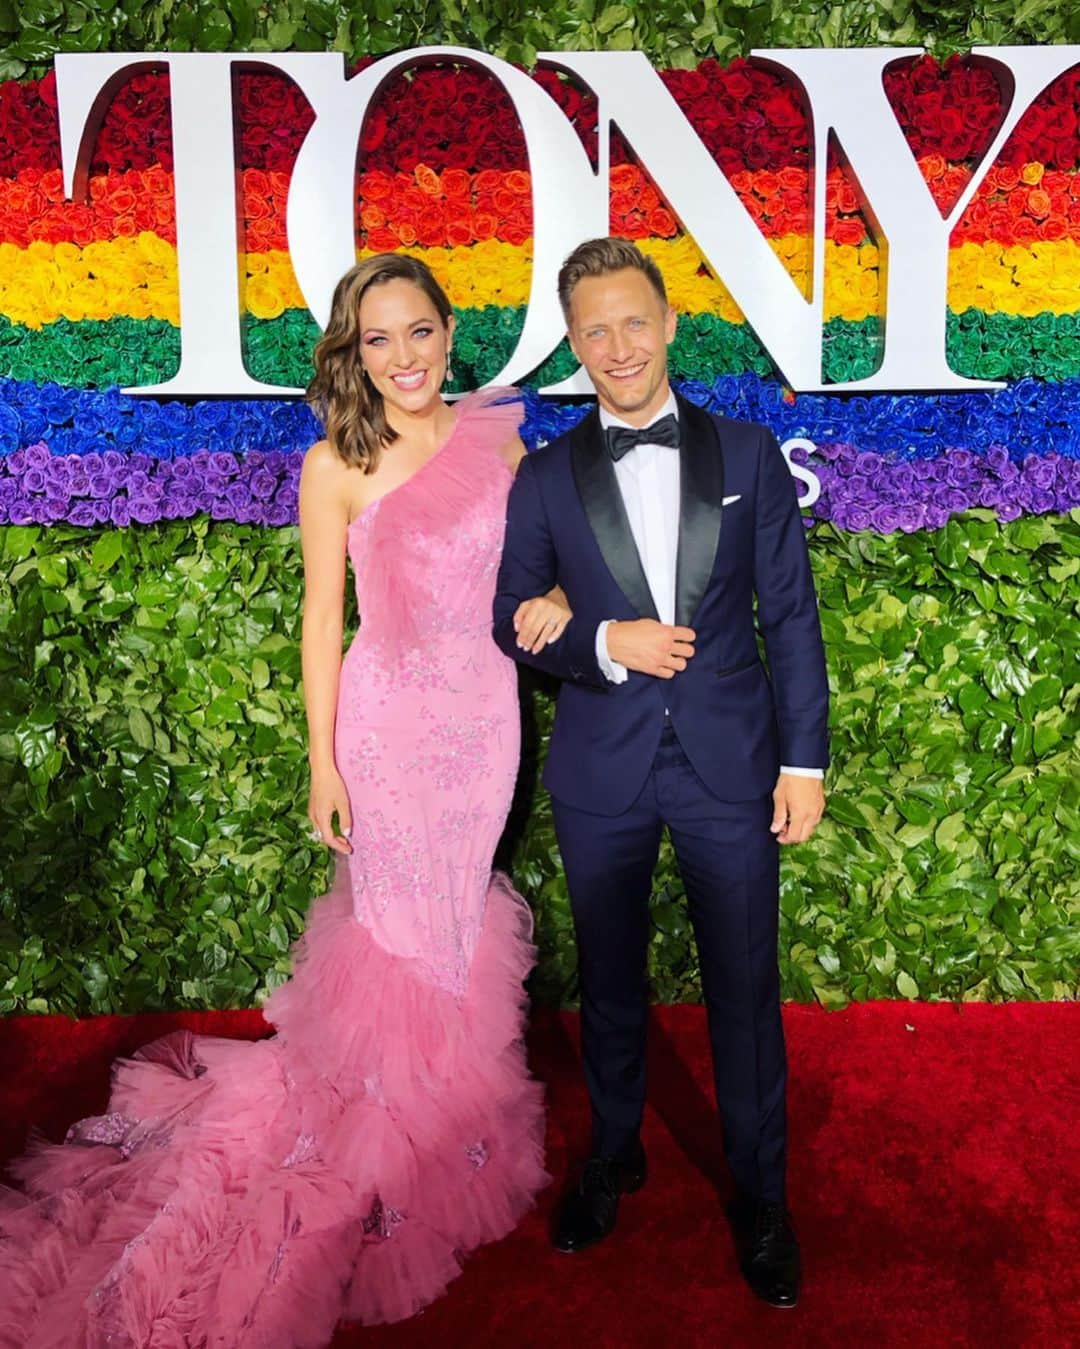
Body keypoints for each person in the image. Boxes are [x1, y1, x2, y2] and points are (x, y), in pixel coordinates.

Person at [0, 254, 565, 1346]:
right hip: (391, 730)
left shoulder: (502, 441)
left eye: (417, 331)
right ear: (352, 354)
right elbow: (321, 621)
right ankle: (388, 1144)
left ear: (452, 332)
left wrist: (550, 595)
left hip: (486, 723)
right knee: (395, 930)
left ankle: (453, 1129)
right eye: (377, 339)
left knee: (457, 926)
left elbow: (544, 572)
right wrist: (324, 759)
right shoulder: (334, 464)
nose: (401, 357)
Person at [493, 237, 829, 1309]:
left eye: (633, 320)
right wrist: (598, 640)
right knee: (612, 984)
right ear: (574, 343)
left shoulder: (748, 453)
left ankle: (763, 1194)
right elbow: (515, 618)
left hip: (731, 761)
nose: (617, 346)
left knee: (744, 986)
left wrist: (805, 759)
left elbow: (792, 616)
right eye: (593, 329)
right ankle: (615, 1151)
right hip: (605, 767)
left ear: (670, 319)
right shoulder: (545, 476)